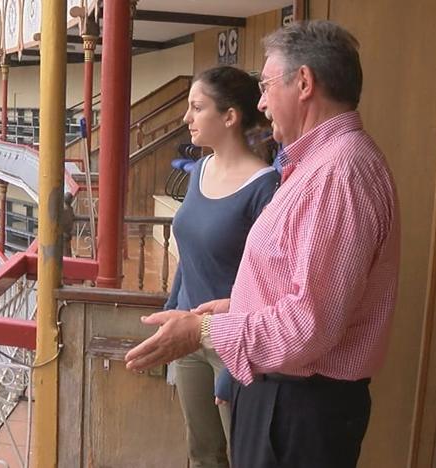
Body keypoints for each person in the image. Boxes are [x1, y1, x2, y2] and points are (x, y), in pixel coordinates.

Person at [125, 20, 400, 468]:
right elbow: (301, 288)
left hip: (298, 406)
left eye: (268, 85)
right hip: (285, 396)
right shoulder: (318, 165)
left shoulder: (338, 175)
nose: (261, 102)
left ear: (305, 83)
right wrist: (238, 307)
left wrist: (204, 331)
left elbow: (308, 324)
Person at [164, 65, 280, 468]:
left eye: (197, 108)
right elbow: (190, 254)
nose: (186, 118)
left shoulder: (266, 187)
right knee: (202, 454)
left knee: (245, 455)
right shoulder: (200, 171)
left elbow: (269, 282)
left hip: (234, 343)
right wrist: (170, 315)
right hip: (190, 338)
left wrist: (234, 369)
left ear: (229, 117)